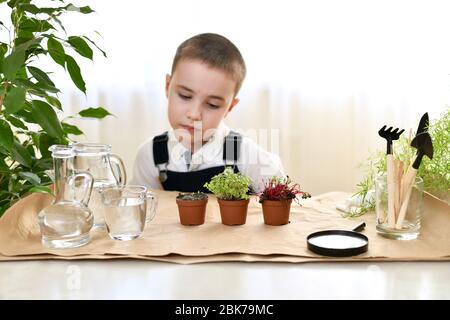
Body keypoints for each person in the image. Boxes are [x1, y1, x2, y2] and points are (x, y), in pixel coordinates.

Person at [131, 33, 285, 193]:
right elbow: (143, 213)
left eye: (212, 105)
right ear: (167, 86)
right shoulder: (150, 155)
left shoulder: (245, 154)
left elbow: (283, 201)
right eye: (185, 96)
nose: (194, 114)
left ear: (230, 108)